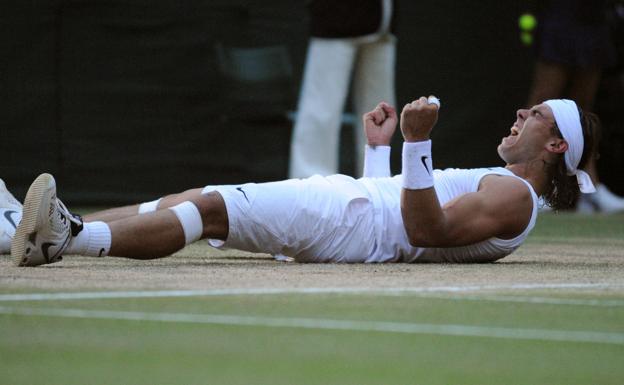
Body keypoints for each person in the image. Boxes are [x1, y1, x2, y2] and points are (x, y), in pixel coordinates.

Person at [5, 96, 599, 267]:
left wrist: (418, 144)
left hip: (348, 223)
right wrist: (380, 154)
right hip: (356, 210)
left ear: (555, 146)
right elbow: (404, 211)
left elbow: (425, 229)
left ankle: (67, 240)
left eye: (537, 116)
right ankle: (29, 226)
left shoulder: (515, 198)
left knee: (210, 208)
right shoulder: (504, 185)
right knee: (193, 198)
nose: (521, 114)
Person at [526, 0, 624, 212]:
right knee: (541, 102)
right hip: (562, 12)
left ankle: (590, 190)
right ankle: (529, 186)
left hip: (595, 17)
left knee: (583, 110)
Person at [289, 0, 397, 178]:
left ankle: (379, 182)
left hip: (382, 20)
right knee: (321, 108)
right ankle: (312, 187)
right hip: (334, 18)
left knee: (381, 109)